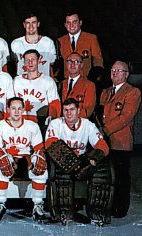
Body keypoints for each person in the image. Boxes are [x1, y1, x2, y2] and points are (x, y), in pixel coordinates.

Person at [45, 98, 110, 226]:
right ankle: (64, 211)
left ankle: (97, 212)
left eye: (72, 110)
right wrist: (71, 162)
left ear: (79, 111)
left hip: (82, 159)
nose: (69, 113)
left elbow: (102, 145)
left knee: (101, 173)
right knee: (62, 169)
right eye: (66, 110)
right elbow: (50, 144)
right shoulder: (56, 124)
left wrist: (93, 159)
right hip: (63, 160)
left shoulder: (88, 125)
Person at [0, 97, 46, 223]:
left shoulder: (32, 126)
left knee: (41, 168)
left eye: (19, 109)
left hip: (26, 159)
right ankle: (1, 204)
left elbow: (38, 148)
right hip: (9, 159)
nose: (16, 112)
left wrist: (37, 157)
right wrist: (1, 157)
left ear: (23, 110)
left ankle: (37, 205)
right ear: (8, 109)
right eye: (13, 108)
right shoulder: (1, 126)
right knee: (0, 168)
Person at [99, 61, 141, 218]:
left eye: (119, 70)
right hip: (104, 142)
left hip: (120, 142)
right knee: (107, 176)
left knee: (121, 176)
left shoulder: (133, 92)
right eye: (113, 70)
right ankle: (107, 204)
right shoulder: (106, 91)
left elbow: (126, 117)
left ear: (126, 74)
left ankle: (120, 209)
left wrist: (105, 130)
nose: (114, 73)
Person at [13, 49, 61, 130]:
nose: (30, 62)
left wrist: (53, 124)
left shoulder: (48, 81)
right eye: (27, 60)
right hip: (21, 124)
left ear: (39, 60)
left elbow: (55, 105)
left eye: (33, 59)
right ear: (24, 62)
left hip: (41, 124)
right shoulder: (17, 81)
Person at [58, 12, 103, 79]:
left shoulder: (91, 38)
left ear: (80, 23)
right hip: (66, 82)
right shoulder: (60, 41)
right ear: (65, 25)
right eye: (68, 23)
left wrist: (92, 80)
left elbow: (98, 62)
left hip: (86, 81)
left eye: (74, 22)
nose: (71, 25)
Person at [59, 52, 96, 119]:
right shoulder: (61, 84)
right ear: (67, 64)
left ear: (81, 65)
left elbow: (88, 110)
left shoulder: (89, 85)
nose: (72, 64)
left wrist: (71, 120)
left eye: (76, 62)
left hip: (78, 123)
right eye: (70, 61)